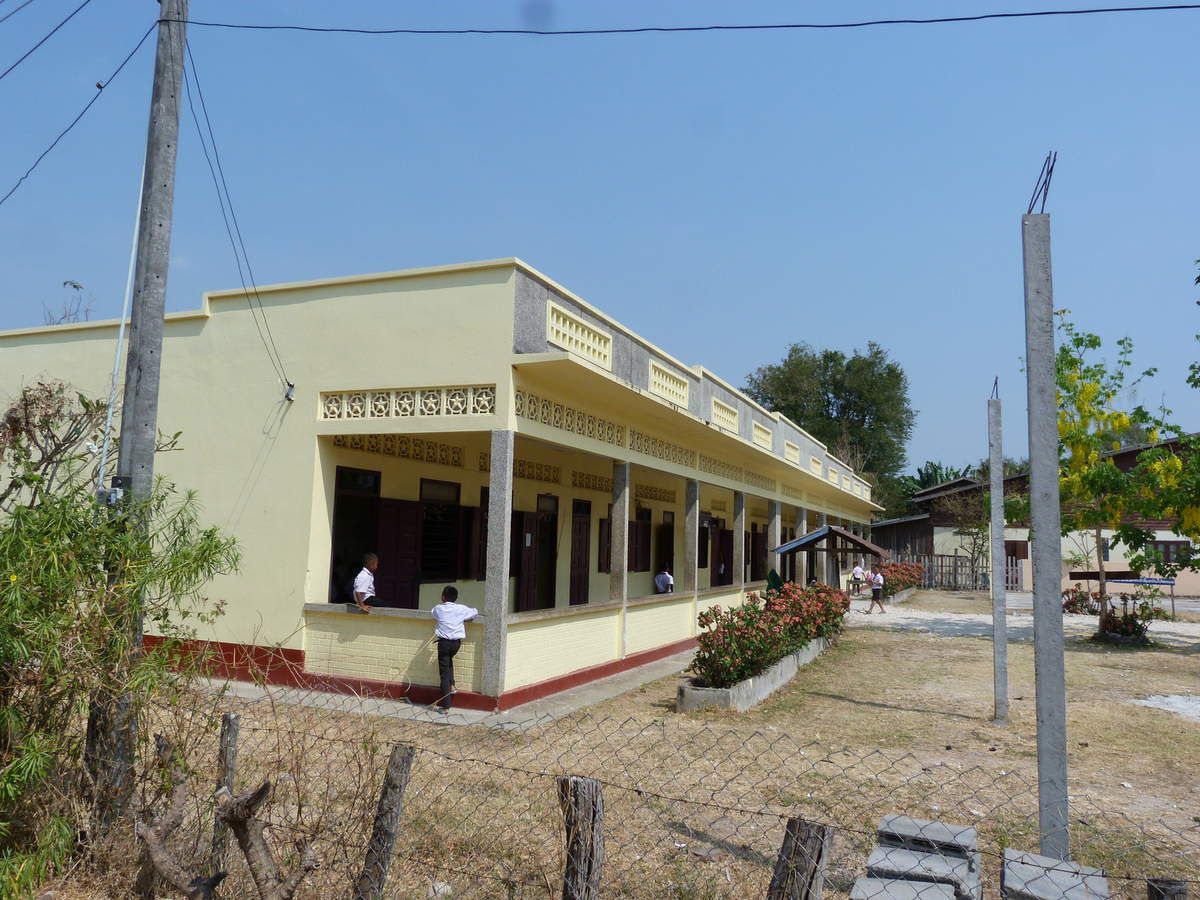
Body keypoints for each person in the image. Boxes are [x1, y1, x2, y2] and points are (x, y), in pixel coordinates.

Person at [430, 586, 479, 712]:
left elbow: (433, 613)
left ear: (443, 597)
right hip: (456, 644)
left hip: (444, 643)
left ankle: (445, 706)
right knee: (449, 662)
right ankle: (452, 685)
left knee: (444, 674)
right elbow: (475, 611)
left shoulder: (438, 608)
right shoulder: (461, 608)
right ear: (455, 598)